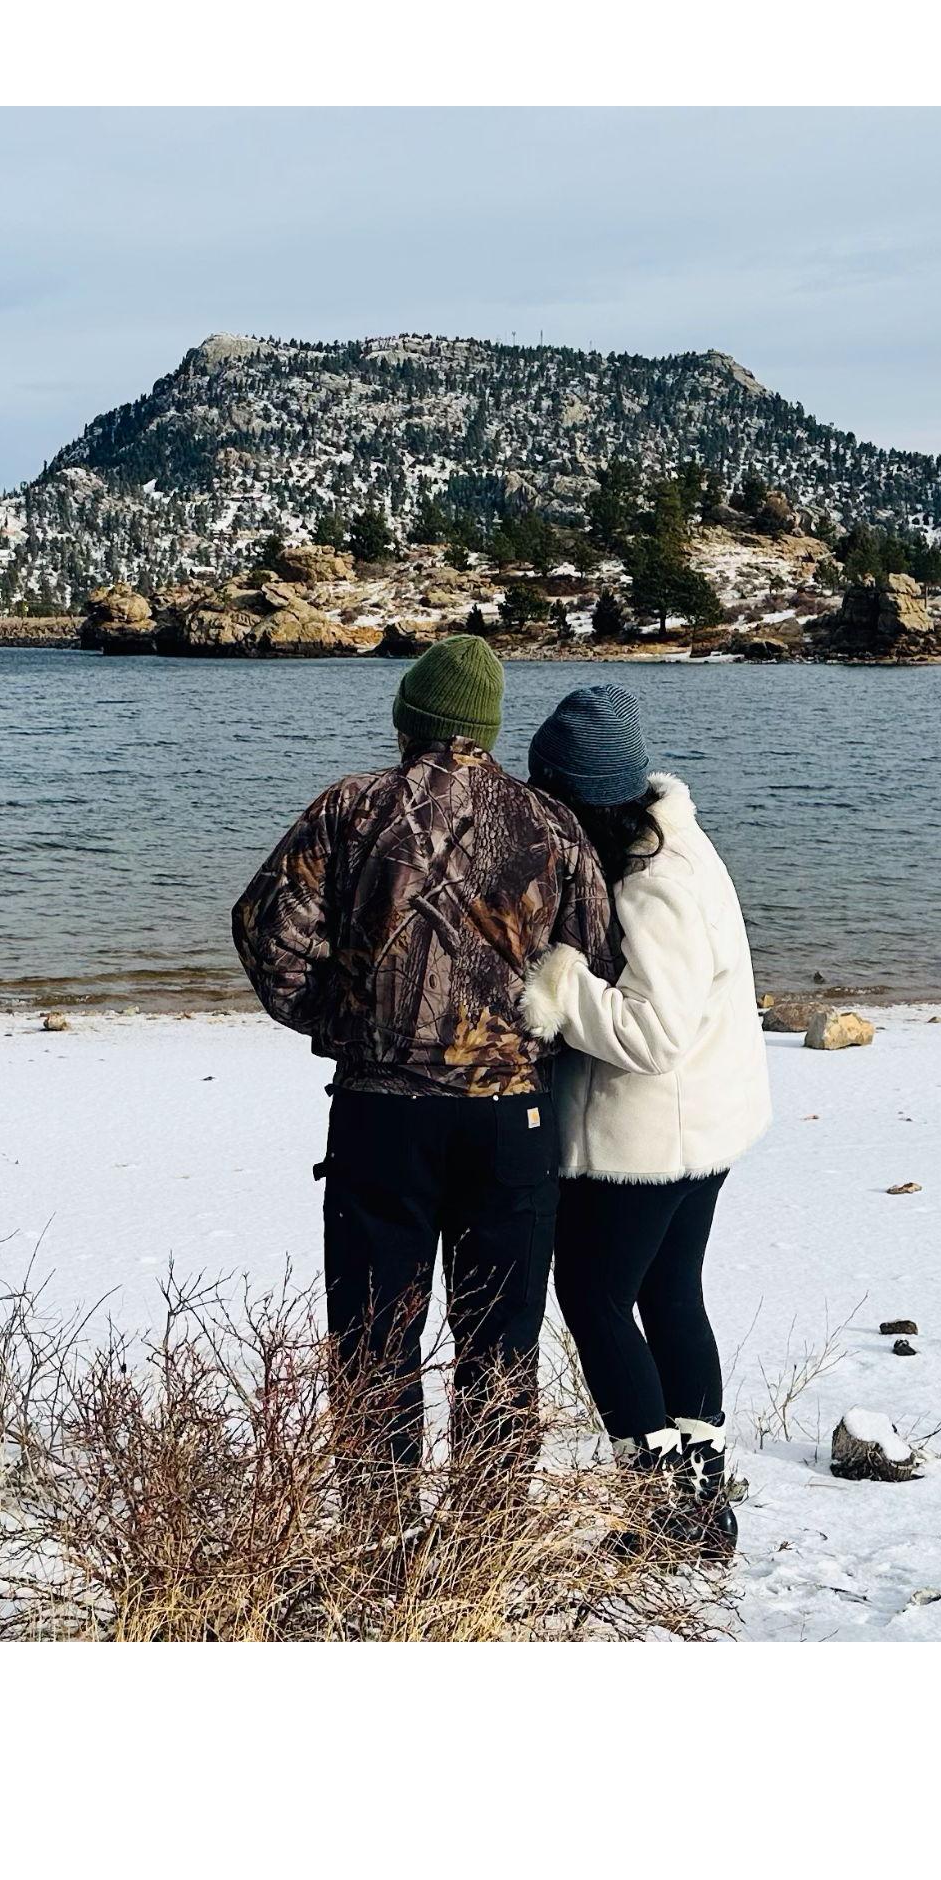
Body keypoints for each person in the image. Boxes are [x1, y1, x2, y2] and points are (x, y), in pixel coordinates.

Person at [232, 635, 613, 1515]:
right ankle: (485, 1532)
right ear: (486, 729)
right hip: (510, 1117)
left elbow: (266, 932)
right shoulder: (549, 822)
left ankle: (380, 1528)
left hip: (380, 1117)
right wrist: (527, 1033)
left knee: (372, 1337)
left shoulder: (350, 806)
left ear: (408, 719)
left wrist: (346, 1023)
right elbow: (598, 960)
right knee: (501, 1340)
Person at [519, 685, 770, 1557]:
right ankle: (701, 1509)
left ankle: (664, 1504)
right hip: (704, 1120)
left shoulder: (653, 882)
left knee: (592, 1297)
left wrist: (554, 985)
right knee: (667, 1294)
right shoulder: (679, 844)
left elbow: (654, 1033)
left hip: (653, 1134)